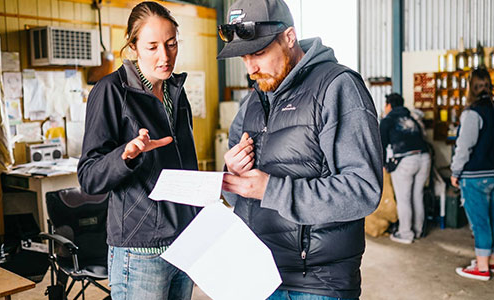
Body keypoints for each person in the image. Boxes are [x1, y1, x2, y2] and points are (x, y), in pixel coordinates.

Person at [218, 0, 383, 299]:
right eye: (244, 57)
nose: (251, 68)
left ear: (289, 37)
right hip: (257, 274)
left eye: (258, 53)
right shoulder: (254, 102)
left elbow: (363, 190)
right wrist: (234, 174)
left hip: (316, 283)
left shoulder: (337, 87)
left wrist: (272, 189)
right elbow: (239, 196)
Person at [77, 2, 198, 299]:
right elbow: (89, 177)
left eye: (171, 45)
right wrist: (125, 155)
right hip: (140, 252)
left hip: (184, 245)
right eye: (152, 46)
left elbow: (185, 169)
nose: (164, 56)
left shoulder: (176, 94)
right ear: (133, 46)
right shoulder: (111, 91)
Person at [451, 68, 494, 281]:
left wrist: (455, 171)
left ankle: (483, 267)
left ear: (471, 87)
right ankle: (490, 260)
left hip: (475, 176)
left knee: (479, 222)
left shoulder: (472, 113)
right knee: (492, 219)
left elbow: (464, 146)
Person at [379, 93, 430, 244]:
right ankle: (418, 230)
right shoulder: (412, 117)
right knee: (417, 195)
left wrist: (383, 164)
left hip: (406, 160)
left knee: (404, 199)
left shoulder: (387, 120)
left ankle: (406, 233)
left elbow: (380, 145)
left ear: (388, 105)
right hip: (425, 158)